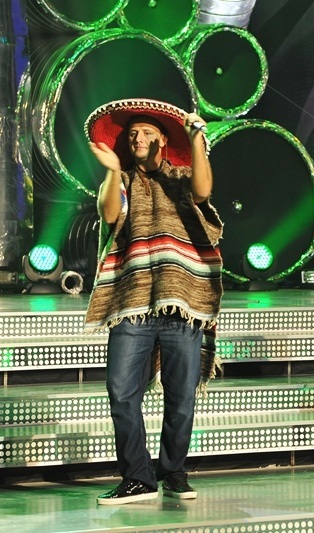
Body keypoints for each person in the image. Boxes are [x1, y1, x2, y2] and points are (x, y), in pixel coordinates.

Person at [84, 98, 223, 505]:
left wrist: (196, 139)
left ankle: (173, 470)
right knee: (121, 390)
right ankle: (137, 477)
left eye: (146, 132)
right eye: (132, 134)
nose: (138, 138)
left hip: (182, 300)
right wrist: (112, 171)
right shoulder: (122, 179)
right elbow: (110, 214)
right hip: (134, 303)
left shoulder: (180, 176)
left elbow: (204, 191)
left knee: (181, 395)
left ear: (162, 139)